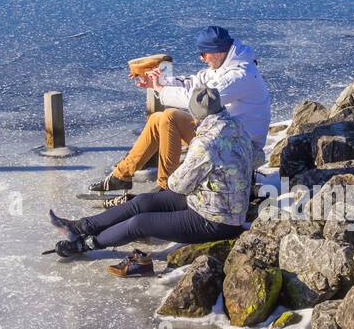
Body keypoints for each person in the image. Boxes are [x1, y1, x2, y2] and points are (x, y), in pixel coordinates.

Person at [49, 86, 255, 258]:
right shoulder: (235, 126)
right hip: (209, 202)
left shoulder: (206, 143)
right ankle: (80, 226)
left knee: (141, 222)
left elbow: (177, 185)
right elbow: (257, 157)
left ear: (196, 115)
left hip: (217, 221)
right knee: (143, 202)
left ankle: (86, 245)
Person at [86, 25, 271, 193]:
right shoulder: (226, 66)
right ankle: (122, 175)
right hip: (225, 136)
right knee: (158, 118)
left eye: (203, 53)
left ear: (218, 51)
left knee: (170, 117)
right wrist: (159, 82)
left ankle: (166, 187)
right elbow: (195, 82)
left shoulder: (239, 76)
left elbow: (200, 100)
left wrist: (162, 90)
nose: (201, 58)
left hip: (242, 148)